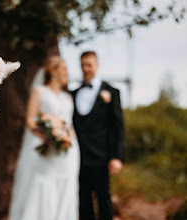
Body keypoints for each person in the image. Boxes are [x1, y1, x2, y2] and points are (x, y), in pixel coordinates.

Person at [9, 56, 80, 220]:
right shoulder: (39, 92)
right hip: (44, 146)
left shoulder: (68, 97)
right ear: (52, 71)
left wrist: (66, 138)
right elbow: (30, 120)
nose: (67, 73)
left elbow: (70, 124)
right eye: (64, 68)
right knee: (42, 185)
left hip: (68, 151)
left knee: (66, 186)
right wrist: (47, 135)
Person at [71, 51, 125, 220]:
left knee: (104, 198)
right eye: (83, 65)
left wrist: (117, 157)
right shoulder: (73, 93)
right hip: (77, 156)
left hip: (102, 156)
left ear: (97, 65)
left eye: (89, 64)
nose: (86, 68)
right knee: (83, 199)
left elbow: (118, 127)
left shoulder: (112, 92)